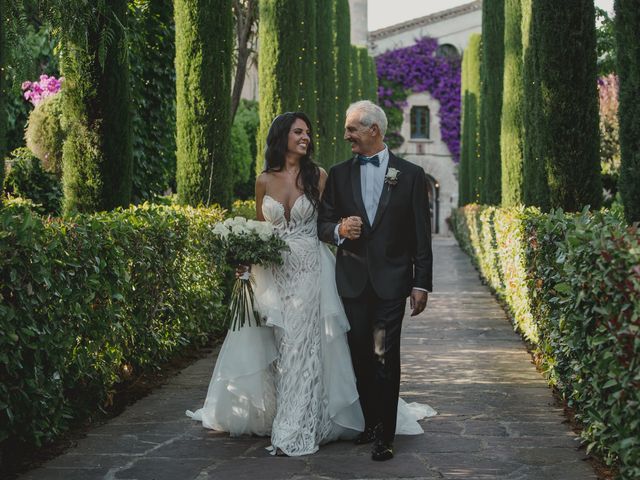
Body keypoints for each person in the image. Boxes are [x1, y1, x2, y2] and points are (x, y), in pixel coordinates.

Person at [187, 111, 434, 457]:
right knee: (283, 345)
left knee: (305, 345)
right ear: (281, 136)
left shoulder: (319, 176)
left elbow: (329, 220)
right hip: (273, 274)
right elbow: (263, 230)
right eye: (298, 132)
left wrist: (419, 280)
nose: (306, 137)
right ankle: (308, 413)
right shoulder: (265, 181)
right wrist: (245, 258)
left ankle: (302, 421)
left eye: (308, 132)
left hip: (310, 271)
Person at [318, 100, 433, 461]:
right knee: (359, 356)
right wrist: (339, 229)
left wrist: (421, 283)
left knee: (385, 354)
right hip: (351, 281)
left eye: (352, 128)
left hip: (392, 282)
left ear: (374, 131)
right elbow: (321, 224)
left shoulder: (410, 175)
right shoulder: (337, 174)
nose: (346, 134)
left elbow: (421, 234)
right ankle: (369, 422)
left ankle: (384, 433)